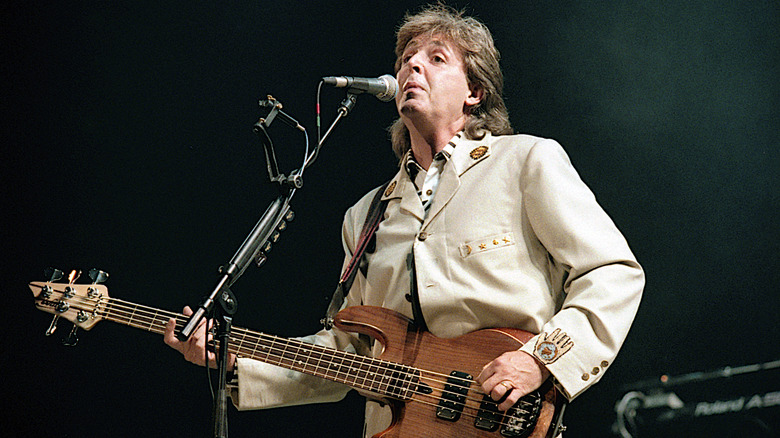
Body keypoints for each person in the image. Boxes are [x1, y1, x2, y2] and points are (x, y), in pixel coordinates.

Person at [164, 4, 644, 437]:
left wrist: (542, 361)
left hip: (505, 419)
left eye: (437, 58)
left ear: (474, 91)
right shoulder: (366, 215)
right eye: (406, 58)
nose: (411, 65)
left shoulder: (525, 162)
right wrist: (233, 361)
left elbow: (612, 273)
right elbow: (349, 350)